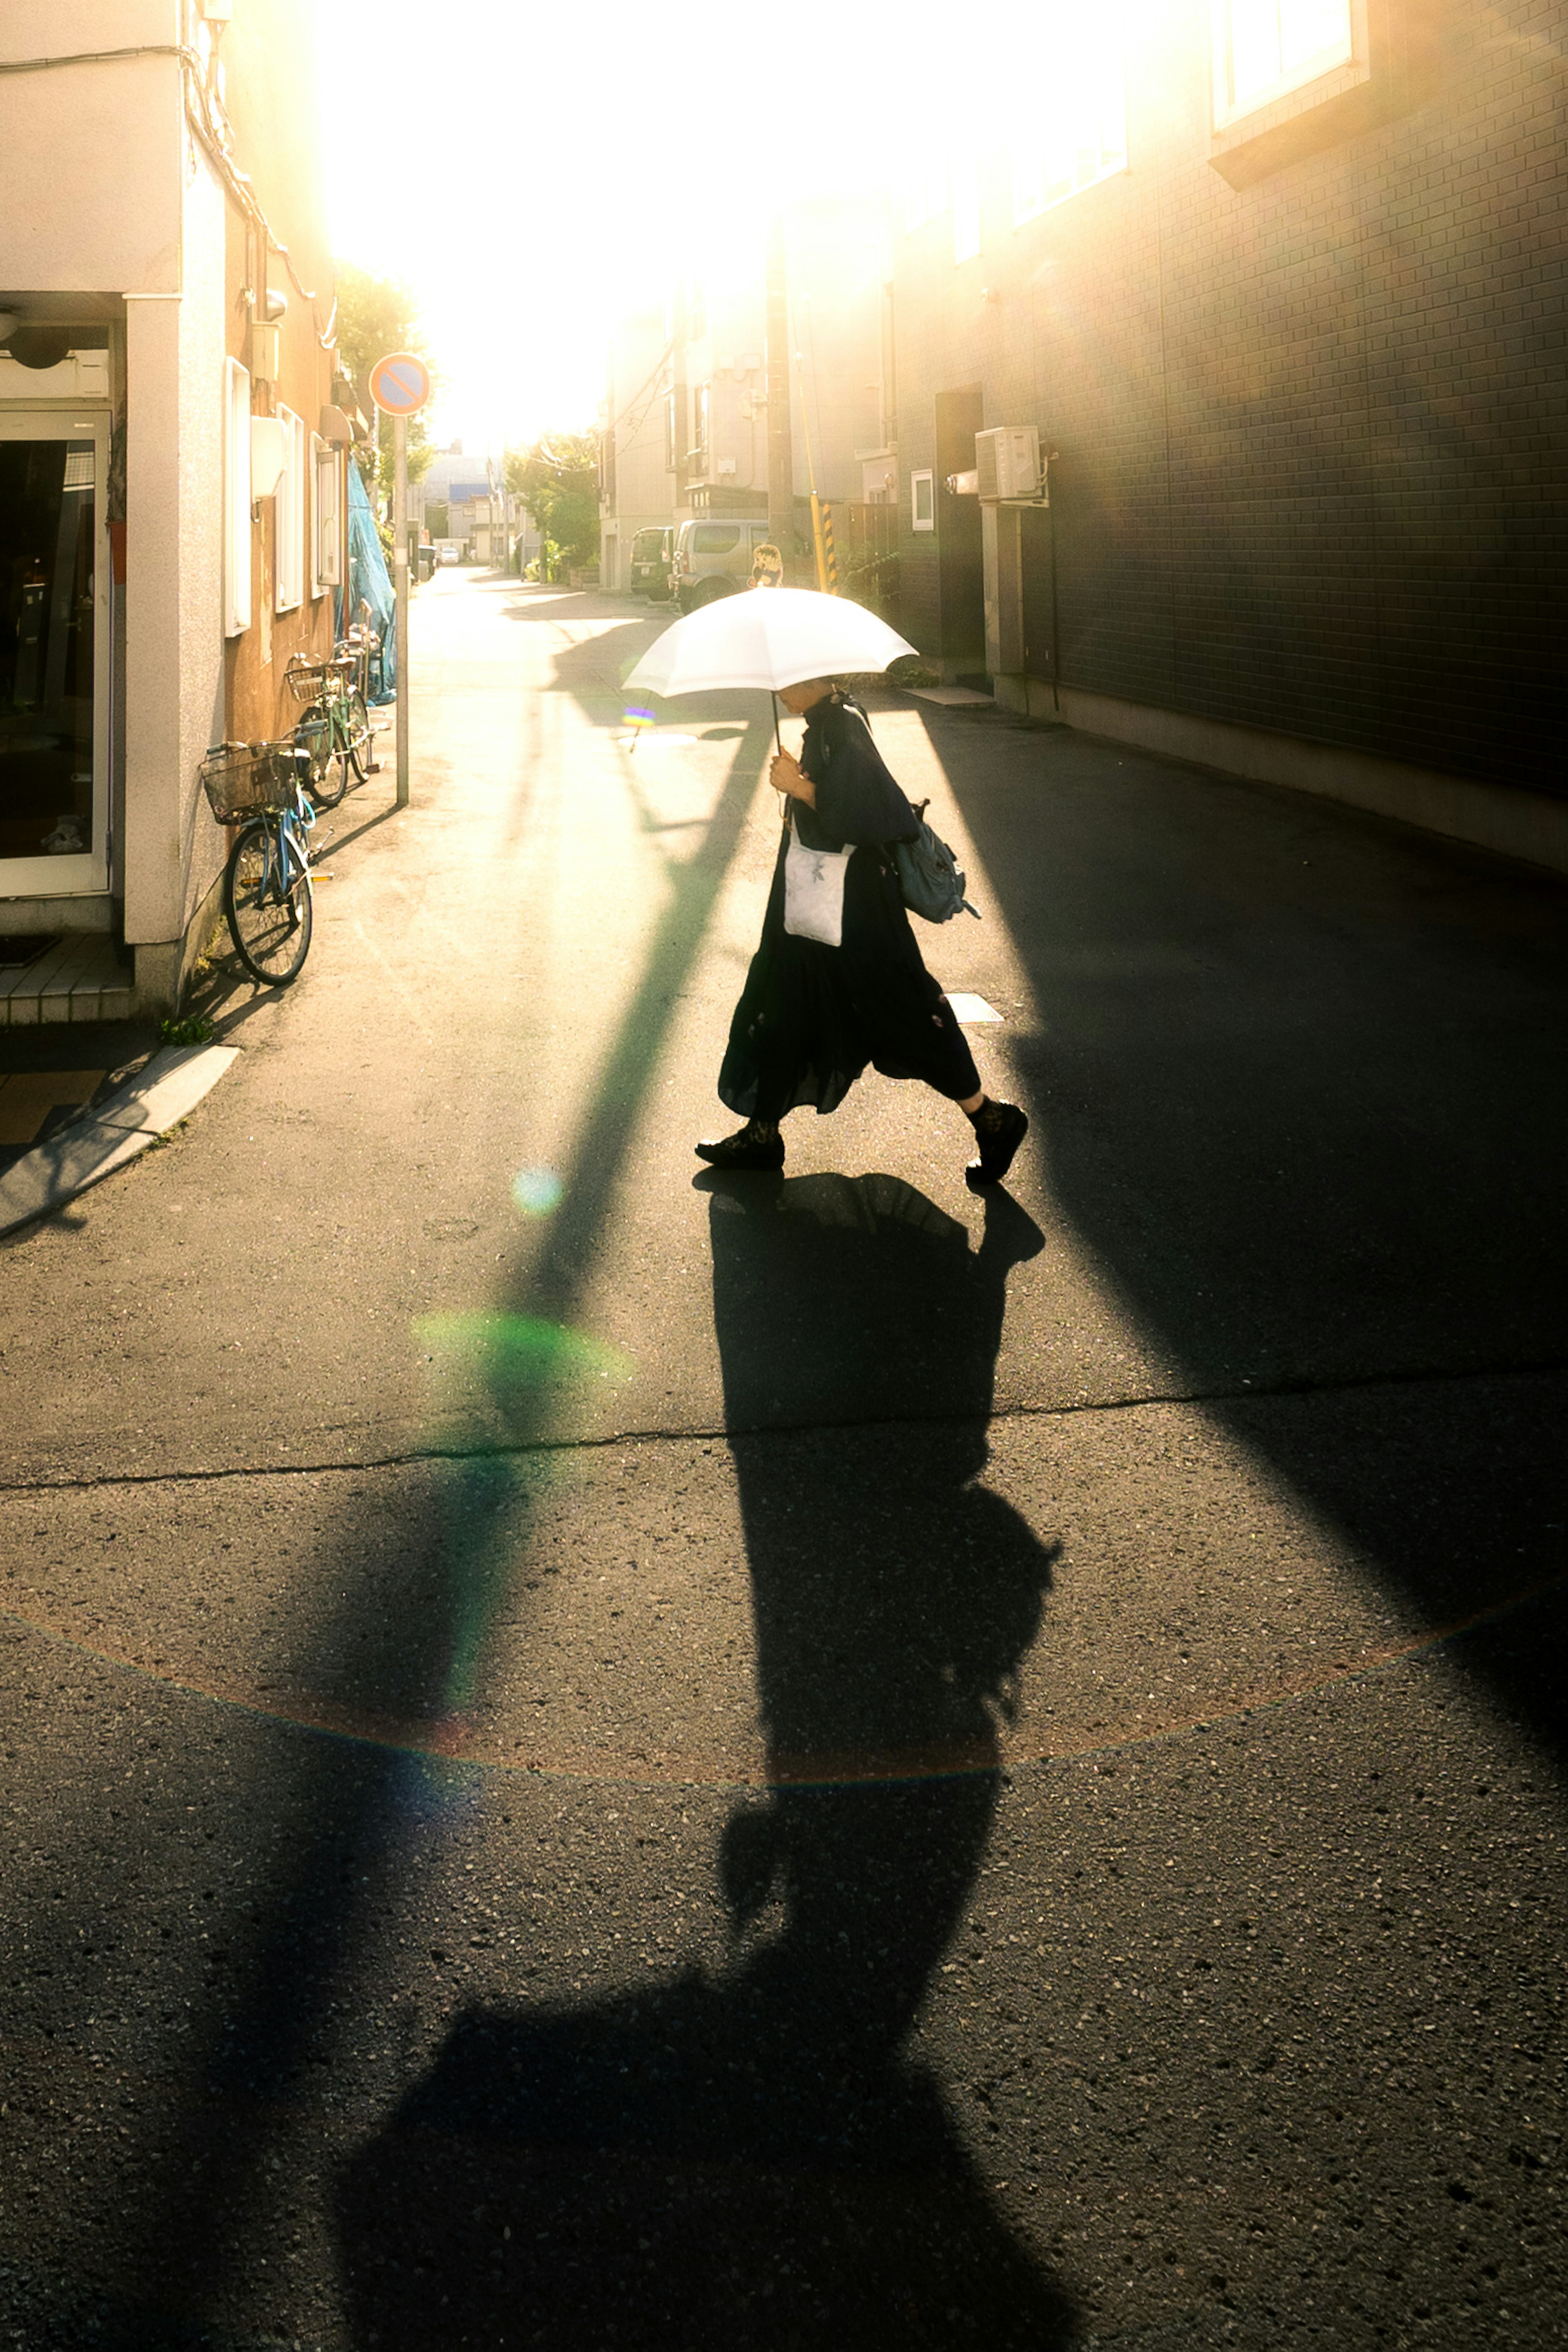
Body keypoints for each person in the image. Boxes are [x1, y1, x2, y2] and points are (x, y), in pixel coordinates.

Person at [697, 679, 1028, 1185]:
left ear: (817, 676)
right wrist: (800, 786)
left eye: (788, 681)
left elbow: (877, 817)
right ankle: (763, 1132)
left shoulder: (845, 724)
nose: (780, 690)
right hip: (812, 900)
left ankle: (992, 1118)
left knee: (905, 1007)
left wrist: (801, 787)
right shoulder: (824, 725)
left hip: (856, 911)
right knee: (783, 999)